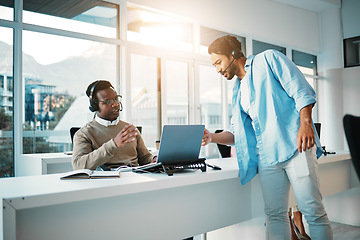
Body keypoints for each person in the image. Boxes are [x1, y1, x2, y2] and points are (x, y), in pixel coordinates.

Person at [202, 35, 333, 240]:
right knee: (275, 215)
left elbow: (301, 90)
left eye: (218, 62)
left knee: (313, 212)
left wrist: (306, 124)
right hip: (267, 158)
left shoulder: (269, 59)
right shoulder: (238, 92)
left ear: (234, 54)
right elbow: (238, 134)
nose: (217, 69)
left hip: (295, 147)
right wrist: (212, 137)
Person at [72, 80, 155, 170]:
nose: (115, 104)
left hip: (133, 178)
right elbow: (78, 165)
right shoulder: (84, 134)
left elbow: (145, 158)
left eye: (116, 99)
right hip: (106, 181)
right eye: (108, 102)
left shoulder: (130, 129)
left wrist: (153, 160)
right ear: (94, 106)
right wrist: (114, 144)